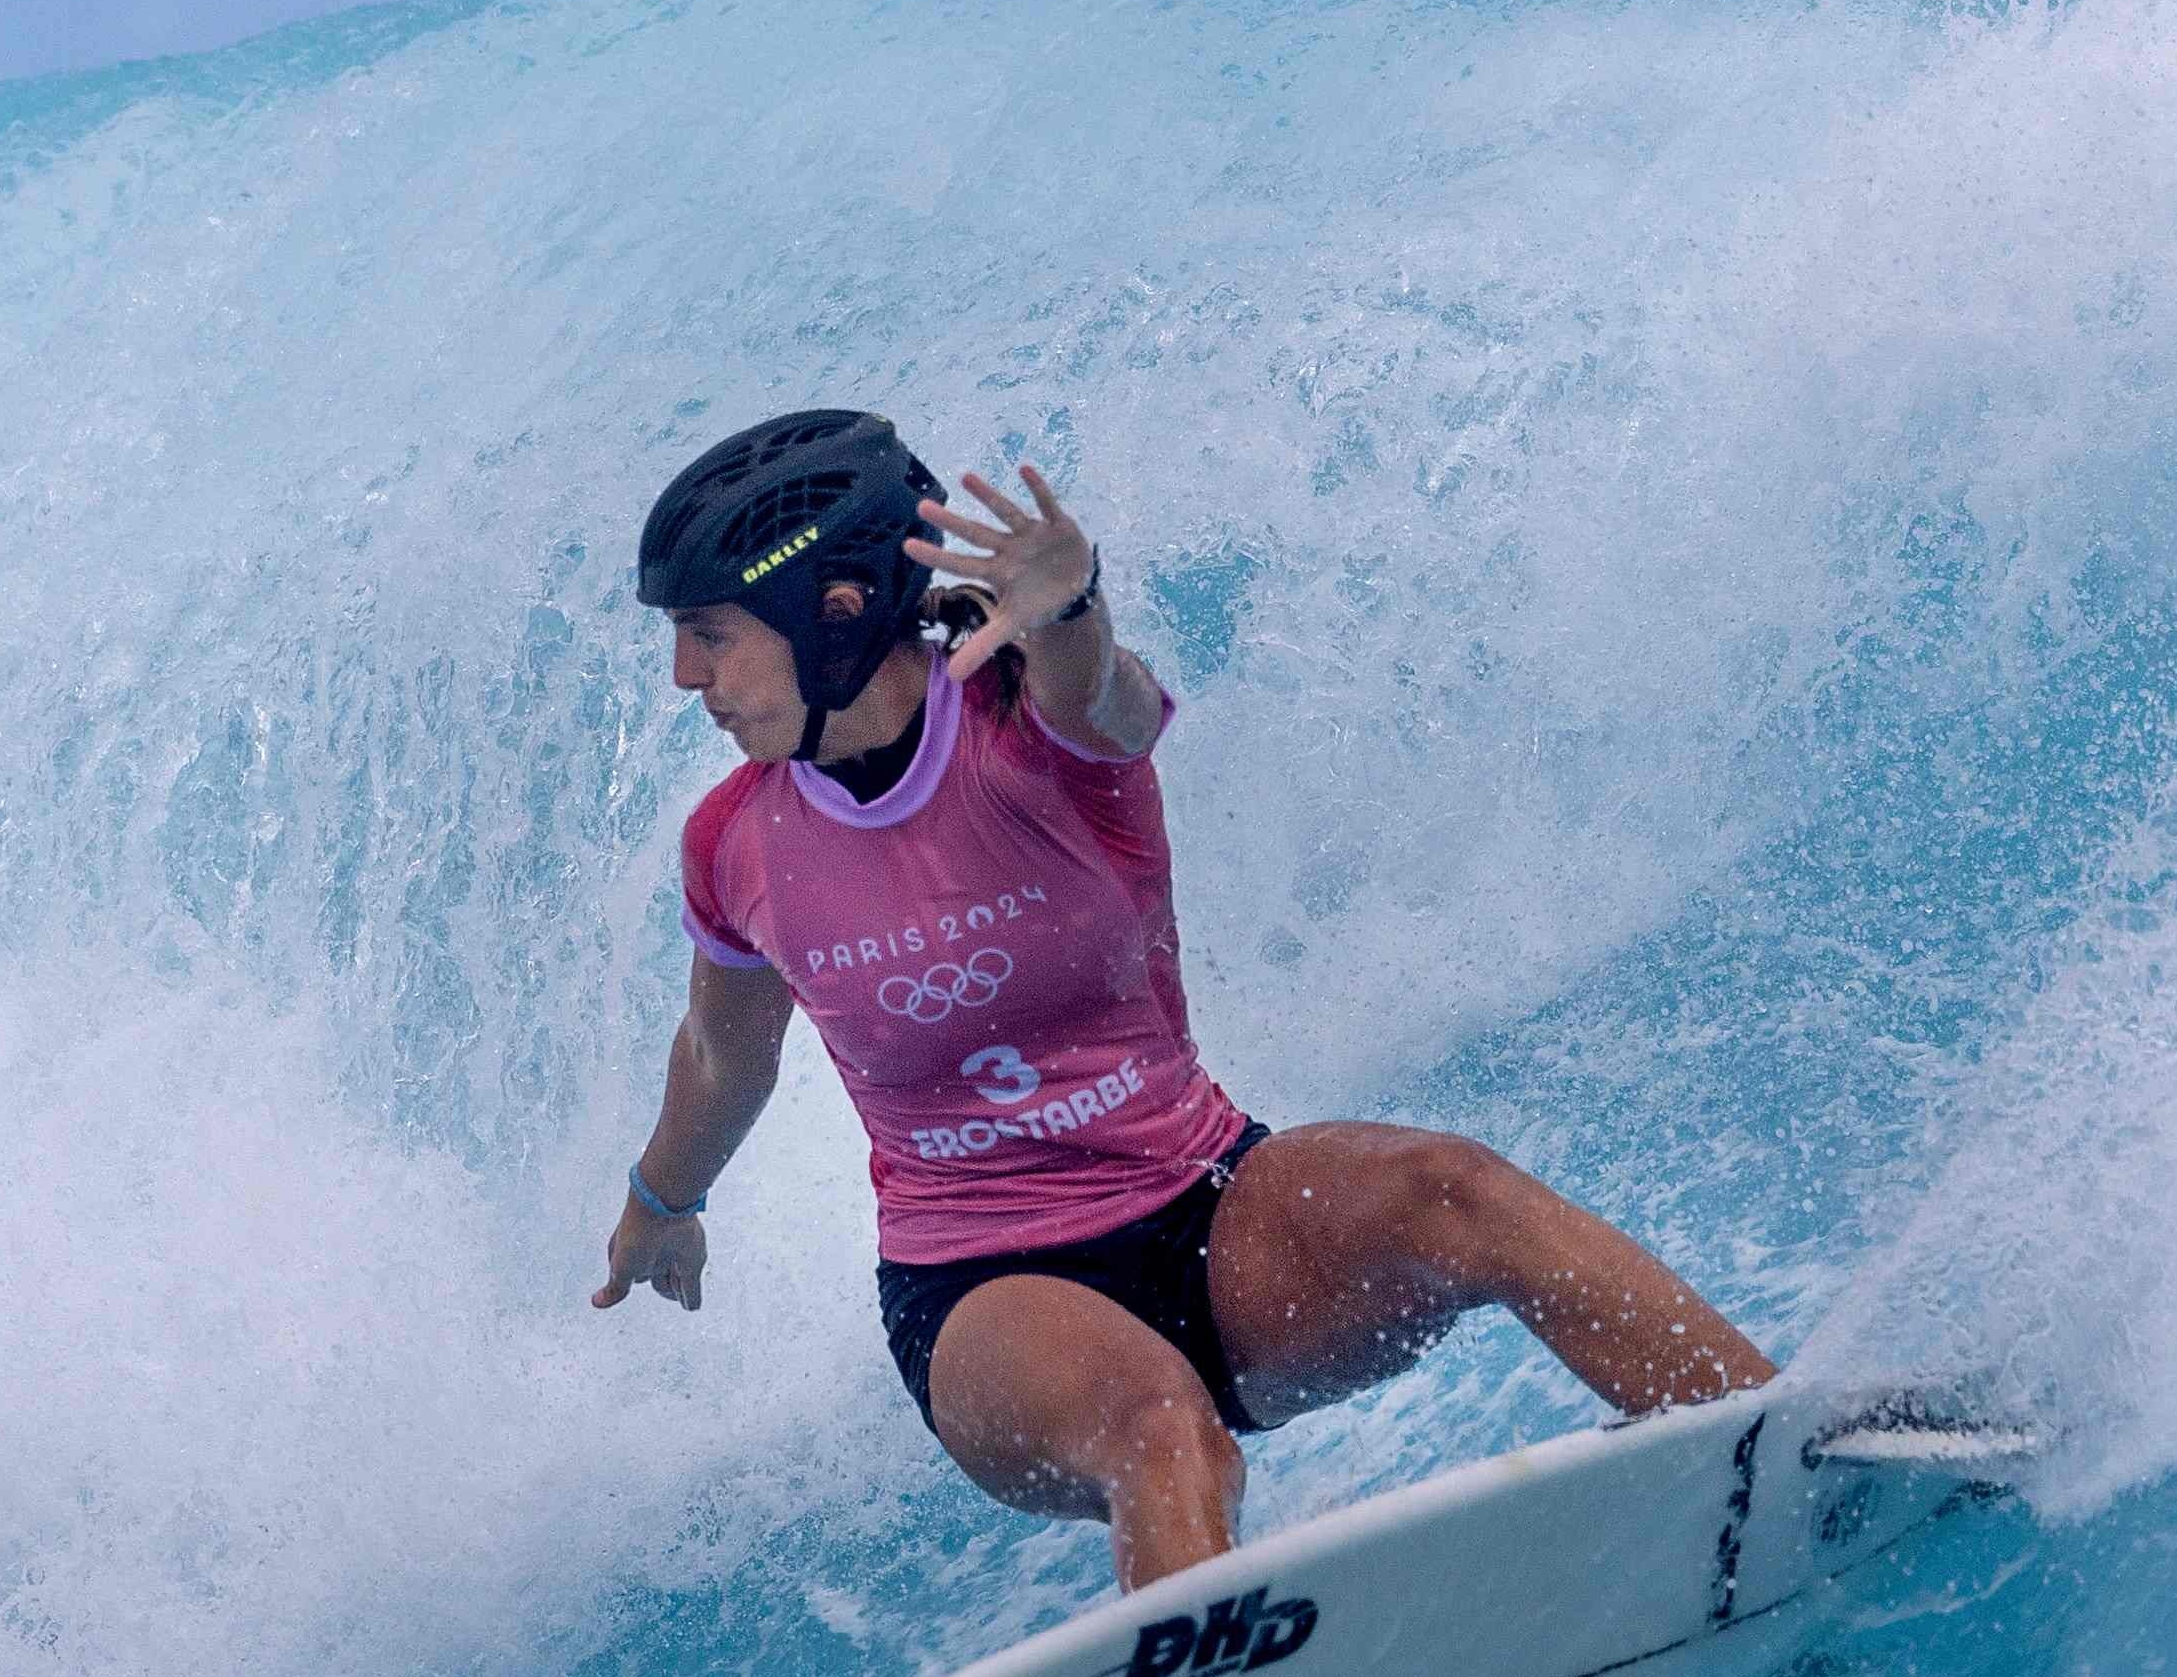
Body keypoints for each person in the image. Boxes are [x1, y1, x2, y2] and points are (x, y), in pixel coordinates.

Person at [592, 406, 1773, 1589]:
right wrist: (661, 1203)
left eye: (709, 634)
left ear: (831, 610)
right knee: (1157, 1426)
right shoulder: (737, 841)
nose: (687, 675)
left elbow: (1095, 691)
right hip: (981, 1290)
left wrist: (1067, 605)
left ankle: (1778, 1458)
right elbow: (720, 1054)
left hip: (1211, 1215)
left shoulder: (1032, 734)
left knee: (1456, 1192)